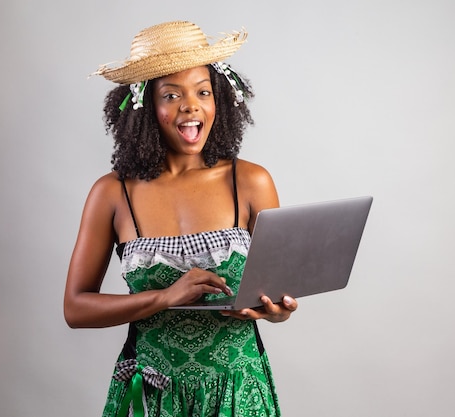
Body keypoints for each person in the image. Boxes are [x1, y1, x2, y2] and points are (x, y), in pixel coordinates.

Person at [64, 20, 298, 417]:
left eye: (203, 92)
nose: (191, 105)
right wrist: (163, 298)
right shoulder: (112, 192)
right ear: (144, 108)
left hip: (238, 392)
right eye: (172, 95)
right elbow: (76, 308)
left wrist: (279, 310)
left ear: (219, 100)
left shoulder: (252, 182)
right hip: (152, 395)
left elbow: (279, 293)